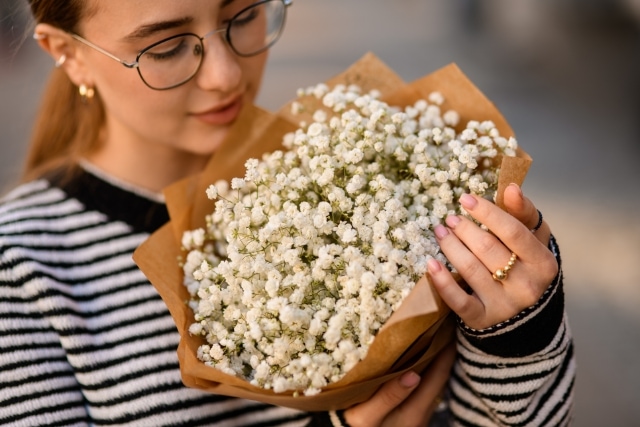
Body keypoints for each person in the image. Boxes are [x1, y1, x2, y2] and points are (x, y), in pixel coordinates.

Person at [0, 0, 574, 426]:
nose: (226, 75)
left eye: (243, 14)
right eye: (166, 47)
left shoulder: (363, 184)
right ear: (67, 54)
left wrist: (518, 341)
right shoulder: (22, 269)